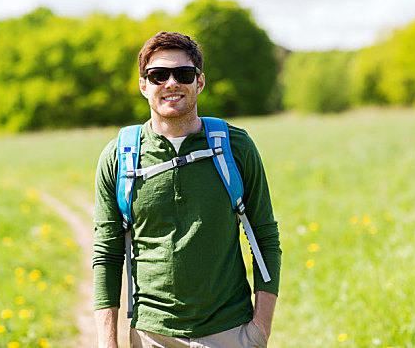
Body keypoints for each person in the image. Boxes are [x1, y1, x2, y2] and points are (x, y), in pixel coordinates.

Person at [93, 31, 281, 348]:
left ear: (200, 82)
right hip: (152, 335)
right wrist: (108, 343)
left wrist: (260, 329)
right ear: (143, 85)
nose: (171, 83)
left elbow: (264, 236)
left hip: (230, 331)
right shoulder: (118, 157)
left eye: (183, 74)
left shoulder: (235, 147)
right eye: (157, 75)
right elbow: (106, 255)